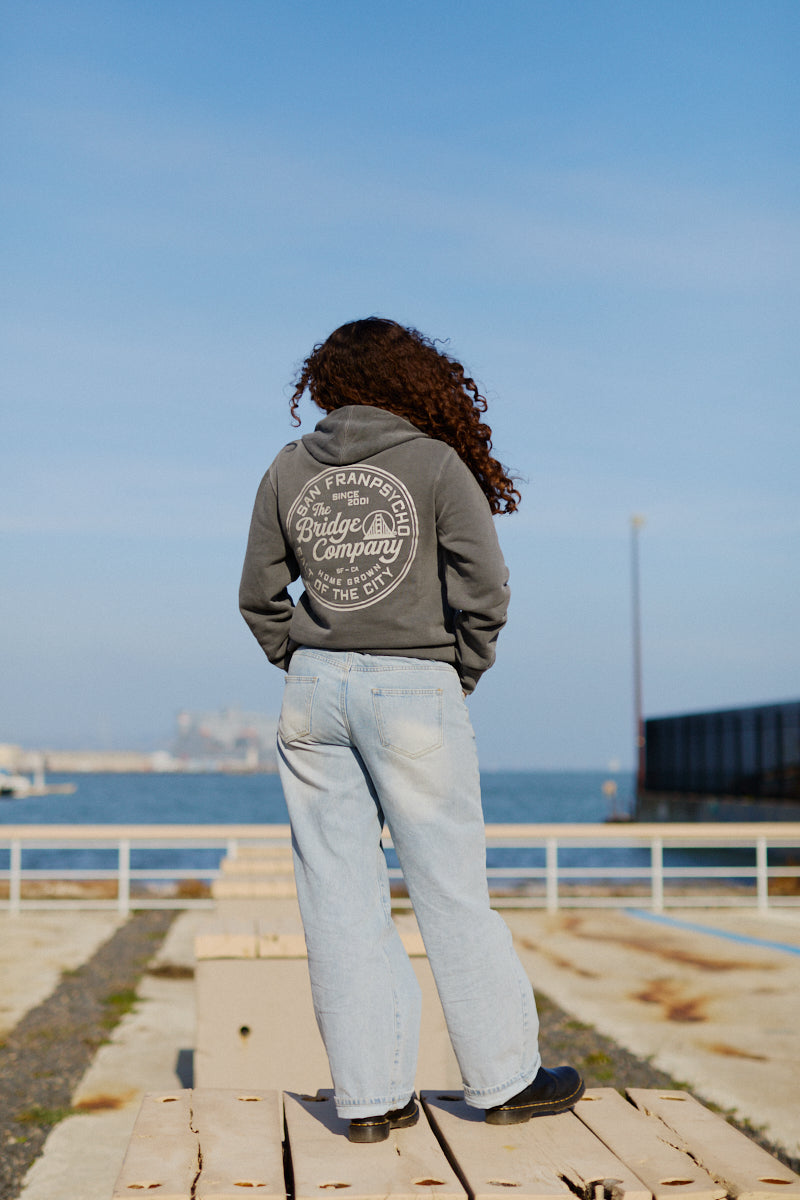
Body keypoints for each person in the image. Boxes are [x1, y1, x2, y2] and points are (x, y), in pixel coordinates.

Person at [239, 317, 583, 1142]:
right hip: (415, 689)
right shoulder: (435, 463)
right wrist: (454, 671)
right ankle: (504, 1079)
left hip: (314, 694)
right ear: (413, 381)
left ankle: (368, 1101)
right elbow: (486, 587)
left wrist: (308, 661)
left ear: (325, 385)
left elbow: (258, 594)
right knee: (451, 889)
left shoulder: (289, 469)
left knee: (338, 899)